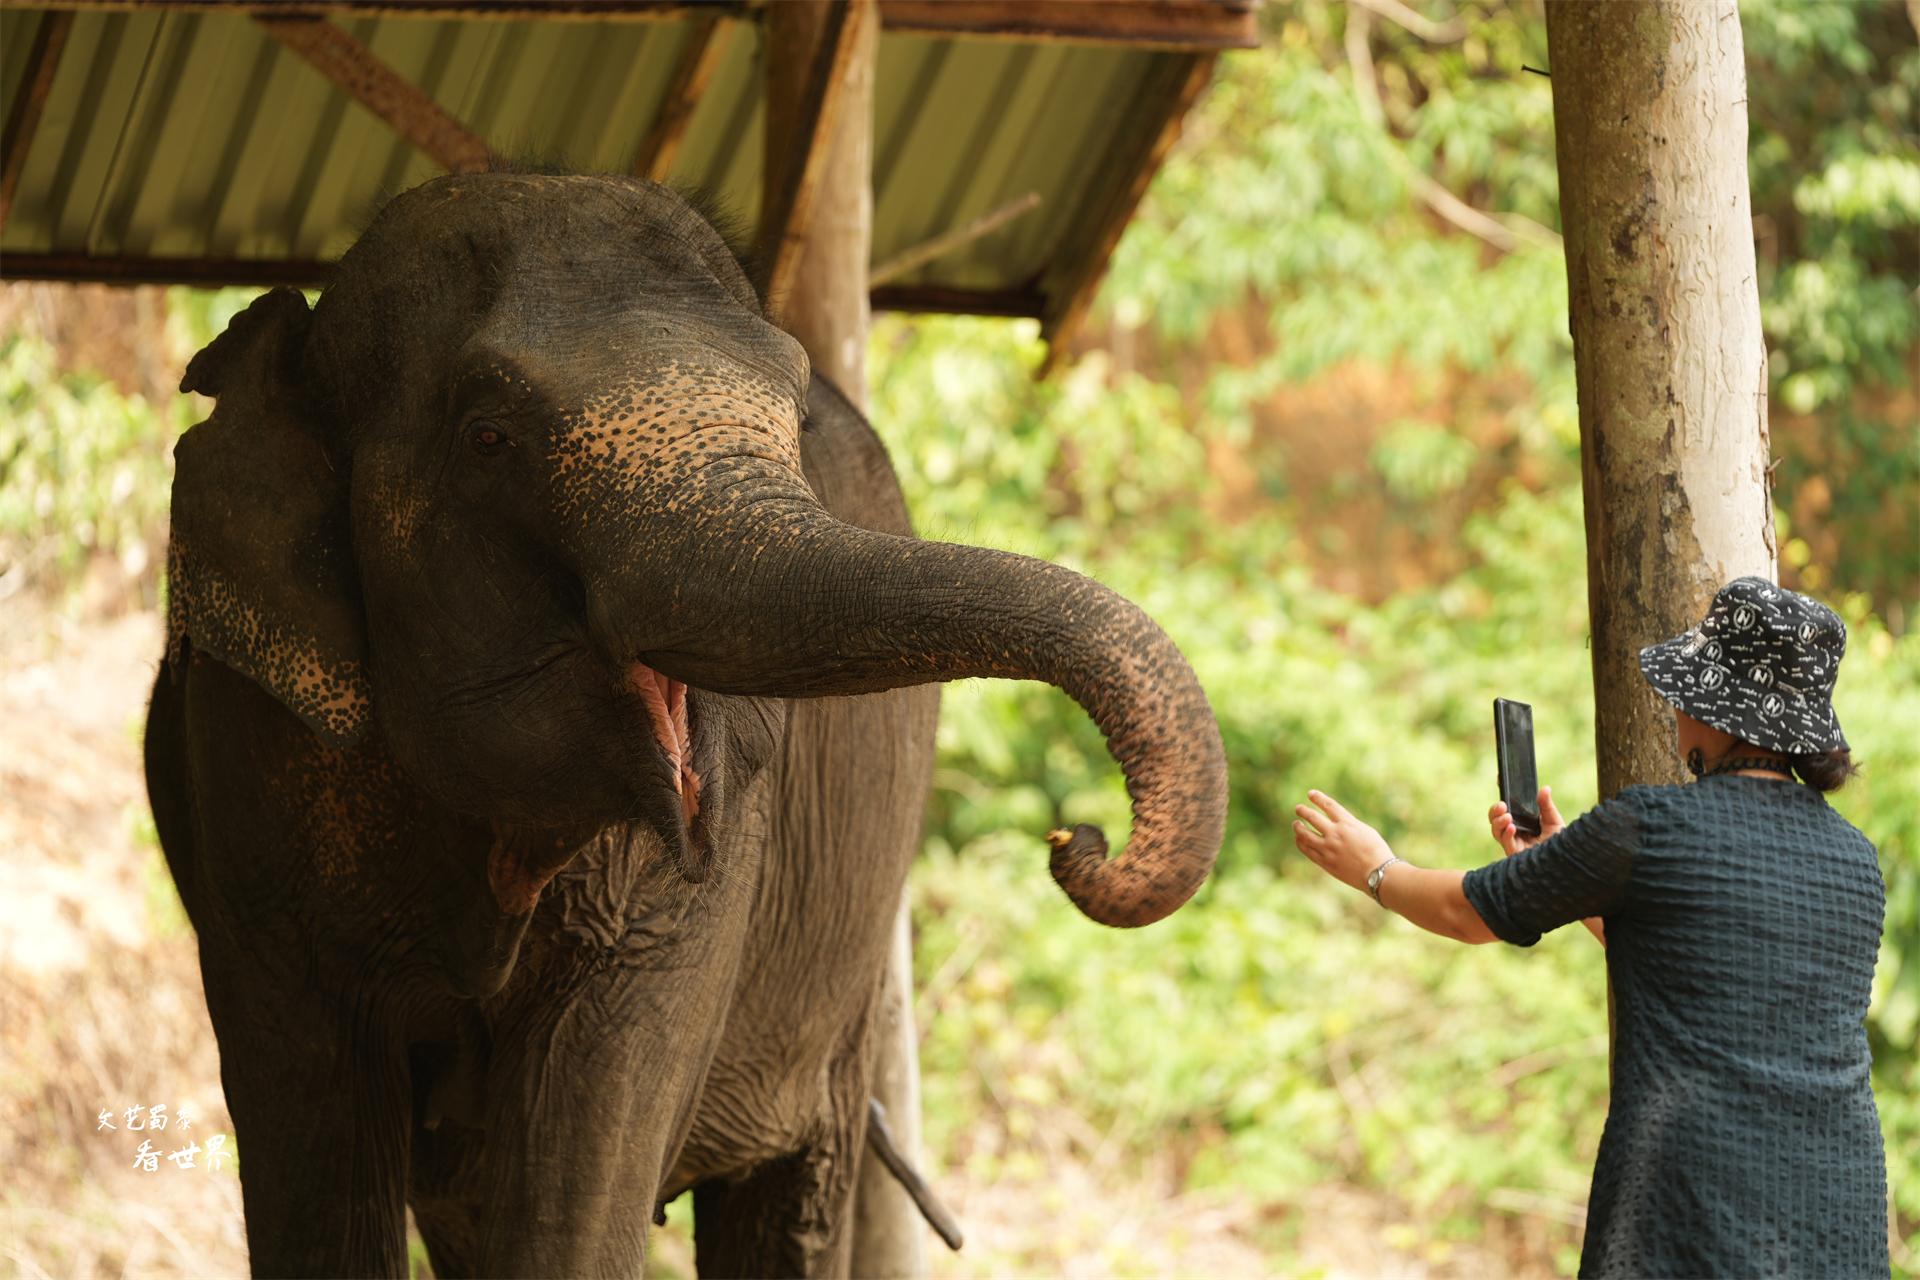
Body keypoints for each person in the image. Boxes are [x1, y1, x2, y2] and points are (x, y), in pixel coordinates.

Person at [1292, 577, 1888, 1279]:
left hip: (1693, 1203)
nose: (1676, 709)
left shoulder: (1650, 826)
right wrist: (1569, 876)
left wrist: (1376, 868)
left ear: (1722, 716)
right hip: (1838, 1201)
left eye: (1688, 693)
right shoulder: (1856, 859)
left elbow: (1468, 912)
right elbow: (1700, 966)